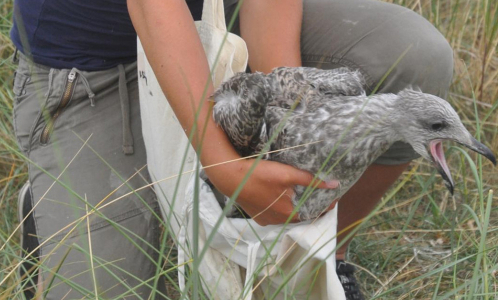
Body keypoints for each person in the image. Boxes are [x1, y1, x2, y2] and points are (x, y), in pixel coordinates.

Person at [11, 0, 453, 299]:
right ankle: (49, 204)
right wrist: (226, 166)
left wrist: (288, 126)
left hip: (224, 25)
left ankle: (323, 260)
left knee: (413, 55)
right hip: (94, 72)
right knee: (107, 284)